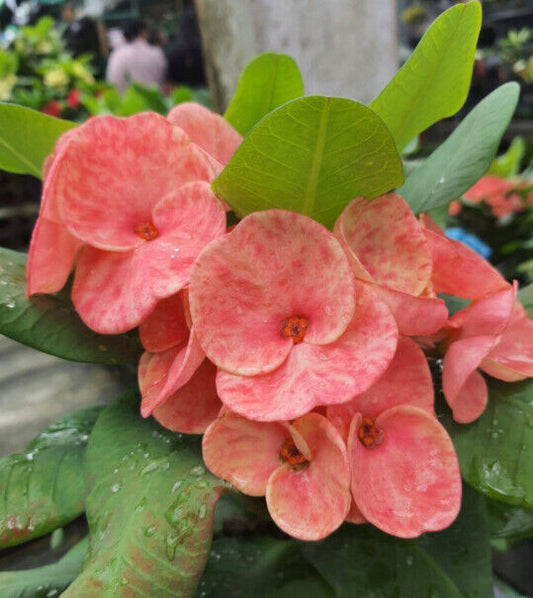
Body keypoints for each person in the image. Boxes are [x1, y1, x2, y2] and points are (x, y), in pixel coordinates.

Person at [105, 18, 167, 94]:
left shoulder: (116, 55)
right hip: (152, 102)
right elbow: (163, 80)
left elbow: (112, 82)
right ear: (143, 32)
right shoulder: (156, 53)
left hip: (125, 103)